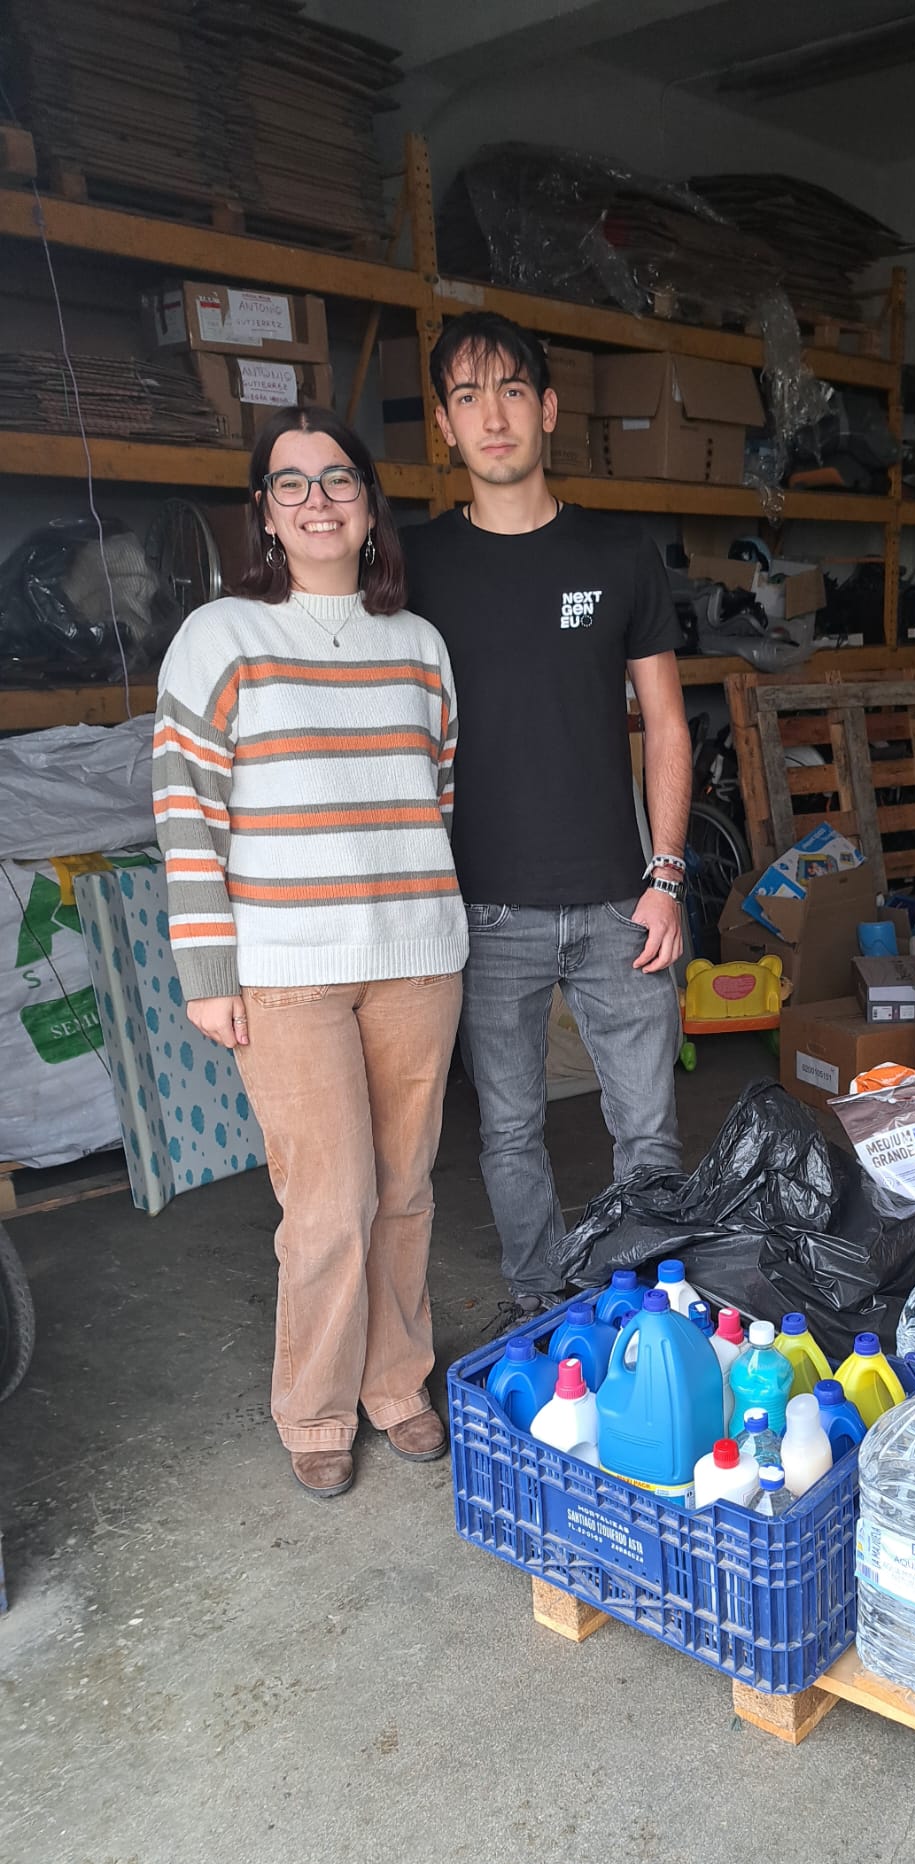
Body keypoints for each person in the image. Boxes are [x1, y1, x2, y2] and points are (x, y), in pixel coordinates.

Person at [153, 407, 467, 1499]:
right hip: (287, 970)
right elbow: (185, 813)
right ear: (266, 513)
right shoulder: (222, 636)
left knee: (406, 1189)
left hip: (416, 956)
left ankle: (395, 1382)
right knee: (329, 1204)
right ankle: (318, 1407)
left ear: (370, 506)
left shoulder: (419, 646)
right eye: (291, 483)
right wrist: (208, 972)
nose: (317, 500)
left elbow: (435, 796)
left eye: (338, 479)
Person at [402, 311, 689, 1319]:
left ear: (550, 409)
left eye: (513, 391)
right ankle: (542, 1303)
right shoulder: (413, 567)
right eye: (468, 396)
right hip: (484, 909)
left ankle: (648, 1310)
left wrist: (667, 875)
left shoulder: (619, 552)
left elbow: (665, 722)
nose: (494, 417)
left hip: (621, 902)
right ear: (444, 424)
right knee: (510, 1133)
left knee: (648, 1133)